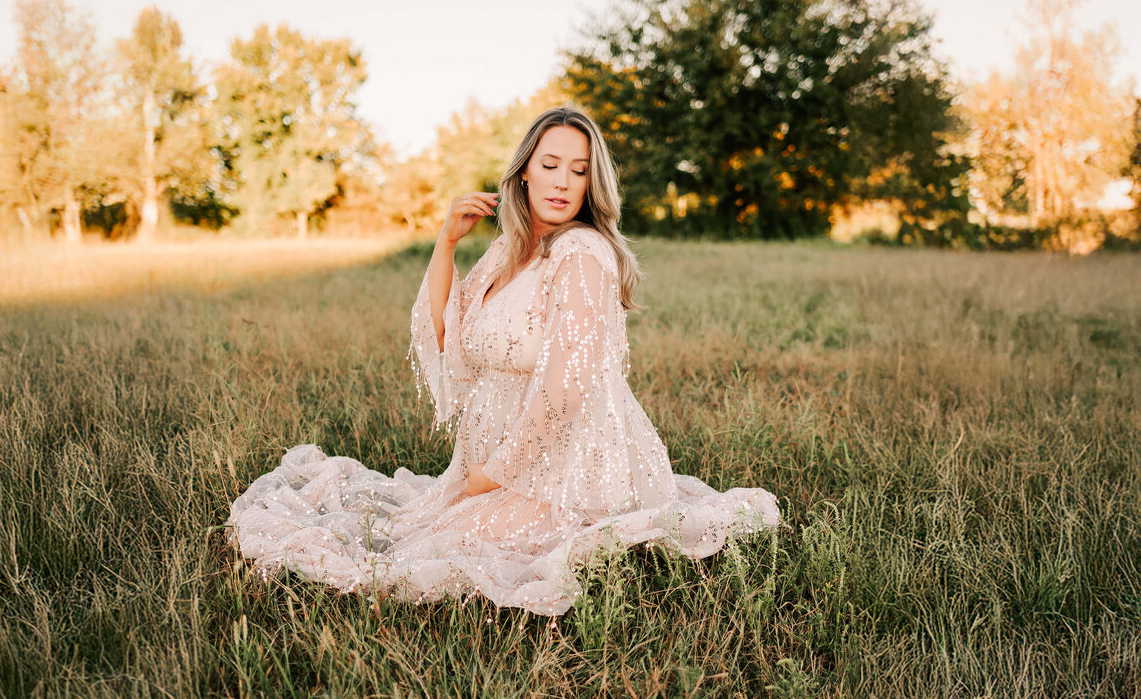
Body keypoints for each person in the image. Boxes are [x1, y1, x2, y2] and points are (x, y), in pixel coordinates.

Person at [227, 107, 780, 616]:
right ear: (524, 174)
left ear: (593, 184)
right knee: (404, 533)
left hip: (569, 468)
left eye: (580, 170)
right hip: (500, 458)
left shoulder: (581, 253)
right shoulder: (507, 252)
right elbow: (446, 334)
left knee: (423, 558)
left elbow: (565, 391)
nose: (564, 181)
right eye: (551, 164)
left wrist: (491, 476)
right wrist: (445, 242)